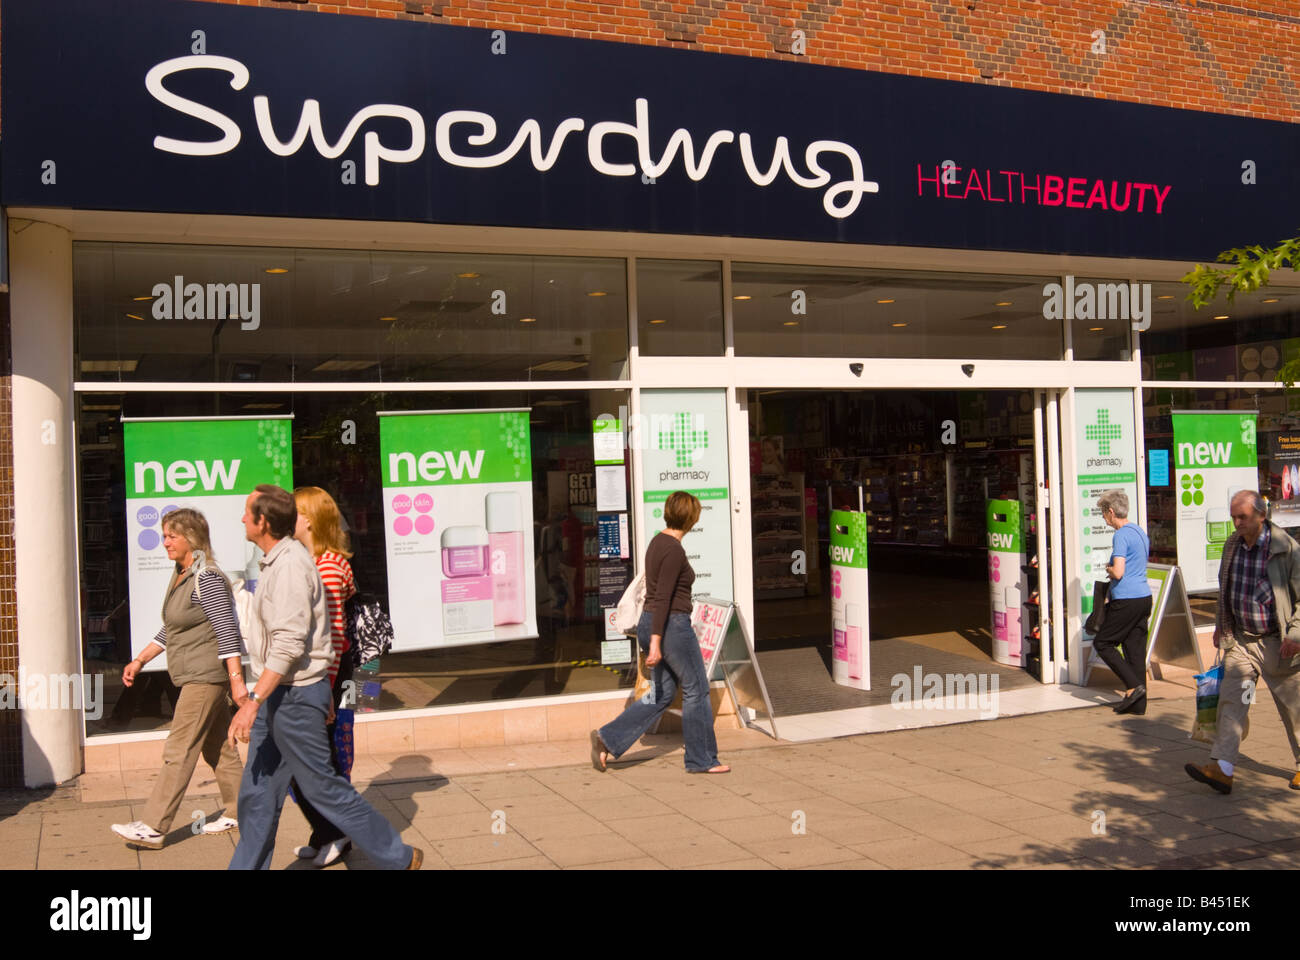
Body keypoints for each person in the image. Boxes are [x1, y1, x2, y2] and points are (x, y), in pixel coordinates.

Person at [227, 484, 421, 870]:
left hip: (293, 698)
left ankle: (397, 857)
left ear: (263, 522)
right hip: (285, 693)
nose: (242, 519)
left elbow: (290, 644)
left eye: (248, 513)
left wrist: (252, 703)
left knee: (323, 788)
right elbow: (322, 634)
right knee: (258, 790)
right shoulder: (279, 562)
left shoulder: (291, 568)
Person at [110, 508, 244, 848]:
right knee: (219, 749)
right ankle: (245, 810)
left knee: (179, 748)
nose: (165, 542)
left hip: (205, 677)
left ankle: (154, 825)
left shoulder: (207, 577)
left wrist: (237, 680)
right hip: (195, 676)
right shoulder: (183, 574)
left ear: (192, 539)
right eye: (164, 535)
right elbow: (170, 628)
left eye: (172, 536)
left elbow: (226, 630)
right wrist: (139, 660)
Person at [590, 491, 730, 775]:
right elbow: (663, 596)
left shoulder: (658, 541)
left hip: (653, 623)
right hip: (670, 627)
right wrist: (656, 643)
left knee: (663, 693)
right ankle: (701, 760)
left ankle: (608, 738)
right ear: (691, 518)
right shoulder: (673, 550)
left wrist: (653, 637)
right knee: (696, 689)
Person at [1186, 490, 1300, 794]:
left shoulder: (1286, 549)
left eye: (1243, 517)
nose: (1236, 523)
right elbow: (1226, 589)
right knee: (1232, 703)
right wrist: (1221, 627)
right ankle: (1223, 769)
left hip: (1278, 644)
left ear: (1261, 516)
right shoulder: (1233, 545)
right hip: (1241, 643)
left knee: (1293, 708)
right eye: (1233, 516)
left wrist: (1296, 634)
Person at [287, 485, 358, 868]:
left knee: (315, 762)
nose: (286, 520)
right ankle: (324, 831)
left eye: (293, 512)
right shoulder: (310, 561)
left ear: (310, 519)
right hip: (316, 679)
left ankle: (339, 831)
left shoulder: (328, 567)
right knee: (309, 761)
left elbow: (330, 637)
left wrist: (324, 693)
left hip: (323, 680)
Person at [1093, 490, 1152, 715]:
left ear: (1111, 512)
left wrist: (1108, 568)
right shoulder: (1139, 531)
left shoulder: (1120, 535)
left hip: (1126, 599)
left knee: (1103, 643)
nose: (1103, 518)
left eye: (1103, 513)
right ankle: (1138, 704)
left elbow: (1118, 572)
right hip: (1143, 597)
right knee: (1134, 650)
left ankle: (1133, 686)